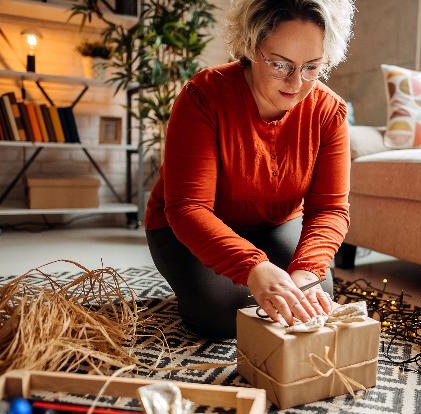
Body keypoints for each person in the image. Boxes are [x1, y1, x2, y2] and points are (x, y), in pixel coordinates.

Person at [145, 0, 355, 338]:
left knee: (313, 297)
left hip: (274, 224)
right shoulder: (203, 96)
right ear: (251, 46)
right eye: (279, 64)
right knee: (224, 313)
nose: (296, 82)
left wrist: (305, 271)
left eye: (312, 67)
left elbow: (329, 209)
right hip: (185, 225)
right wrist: (254, 268)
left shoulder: (330, 112)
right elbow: (188, 208)